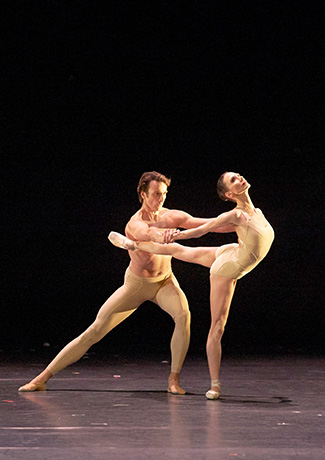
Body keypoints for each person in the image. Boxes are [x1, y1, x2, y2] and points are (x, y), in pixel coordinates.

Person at [19, 171, 233, 395]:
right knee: (94, 331)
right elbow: (149, 233)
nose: (161, 199)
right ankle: (42, 378)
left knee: (183, 315)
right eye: (156, 194)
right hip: (137, 285)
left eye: (164, 194)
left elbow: (209, 224)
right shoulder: (135, 224)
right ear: (143, 194)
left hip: (165, 282)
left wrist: (240, 222)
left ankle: (173, 380)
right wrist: (161, 236)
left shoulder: (172, 216)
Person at [109, 172, 275, 399]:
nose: (240, 178)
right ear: (229, 194)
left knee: (180, 253)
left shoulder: (257, 213)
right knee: (217, 327)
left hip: (234, 252)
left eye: (238, 176)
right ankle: (215, 385)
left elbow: (221, 227)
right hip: (227, 269)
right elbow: (201, 230)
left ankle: (134, 245)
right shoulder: (234, 214)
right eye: (234, 181)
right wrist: (173, 235)